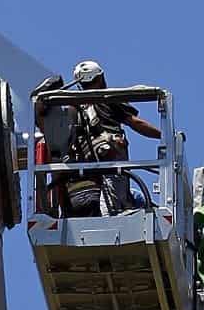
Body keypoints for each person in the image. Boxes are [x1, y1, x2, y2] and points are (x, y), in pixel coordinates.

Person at [54, 60, 161, 216]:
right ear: (100, 78)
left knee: (134, 197)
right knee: (111, 211)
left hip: (87, 170)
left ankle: (147, 210)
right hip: (111, 162)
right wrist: (163, 135)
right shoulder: (108, 97)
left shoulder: (73, 108)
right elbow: (135, 122)